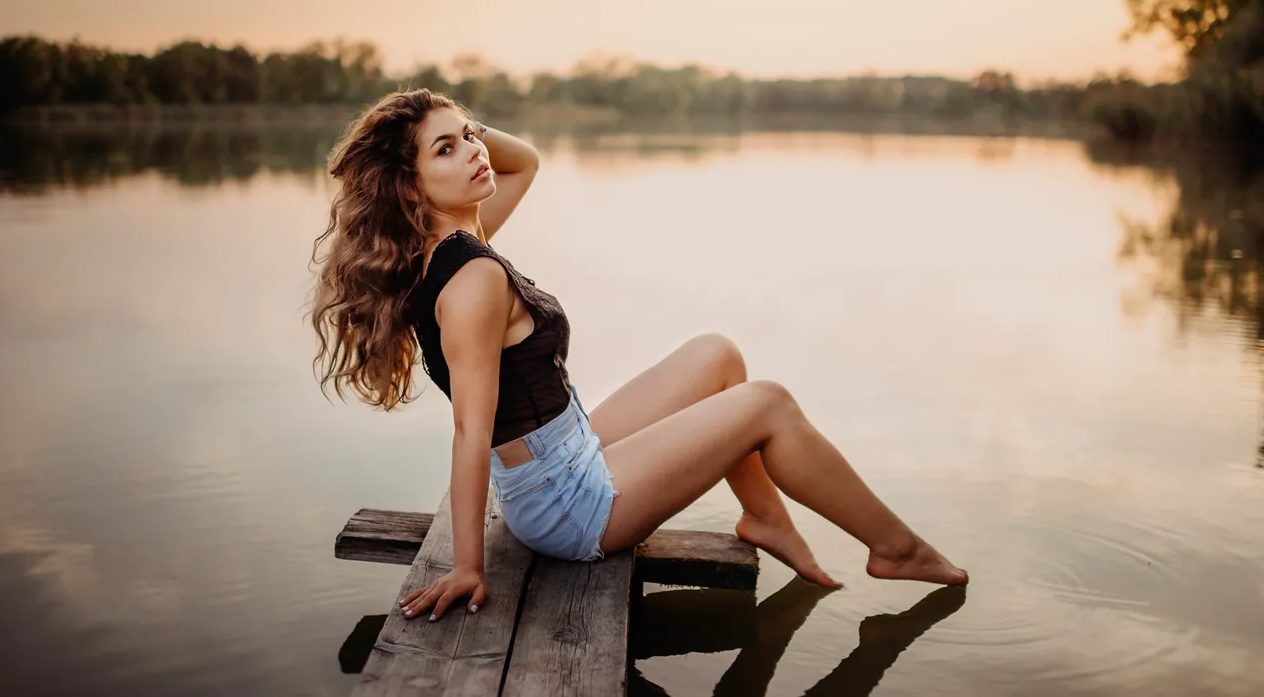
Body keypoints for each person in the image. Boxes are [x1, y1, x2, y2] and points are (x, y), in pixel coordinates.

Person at [310, 89, 968, 624]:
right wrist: (467, 567)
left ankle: (764, 517)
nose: (477, 153)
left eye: (471, 136)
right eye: (446, 150)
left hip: (563, 454)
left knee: (718, 356)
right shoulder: (473, 281)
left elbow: (526, 160)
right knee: (767, 403)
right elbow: (470, 431)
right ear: (411, 188)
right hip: (565, 504)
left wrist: (443, 116)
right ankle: (894, 547)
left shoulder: (458, 240)